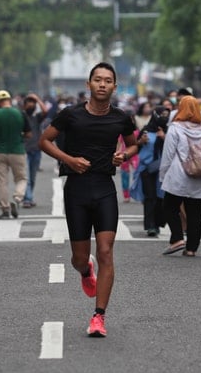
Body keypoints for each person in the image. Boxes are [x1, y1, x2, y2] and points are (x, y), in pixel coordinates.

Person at [39, 62, 137, 338]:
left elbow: (132, 143)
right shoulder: (70, 115)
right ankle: (85, 270)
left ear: (114, 86)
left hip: (105, 188)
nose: (103, 84)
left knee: (106, 251)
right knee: (79, 258)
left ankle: (99, 316)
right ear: (89, 84)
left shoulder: (121, 117)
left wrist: (124, 155)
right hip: (77, 190)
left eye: (108, 80)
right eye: (98, 80)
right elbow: (44, 141)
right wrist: (70, 160)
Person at [159, 96, 201, 257]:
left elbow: (168, 155)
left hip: (179, 175)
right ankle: (191, 248)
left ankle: (178, 238)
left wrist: (163, 175)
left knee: (169, 207)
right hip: (199, 176)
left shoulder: (175, 128)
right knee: (195, 212)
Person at [0, 90, 31, 219]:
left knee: (1, 181)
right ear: (9, 100)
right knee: (21, 178)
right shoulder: (21, 113)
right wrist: (19, 137)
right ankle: (17, 197)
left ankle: (5, 209)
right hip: (17, 151)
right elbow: (28, 134)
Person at [130, 107, 169, 236]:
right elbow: (135, 146)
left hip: (163, 169)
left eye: (166, 115)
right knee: (150, 197)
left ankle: (158, 223)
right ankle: (150, 226)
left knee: (161, 198)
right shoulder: (146, 130)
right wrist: (141, 141)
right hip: (146, 168)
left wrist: (164, 138)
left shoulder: (169, 131)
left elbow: (175, 148)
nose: (164, 117)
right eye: (162, 114)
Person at [22, 94, 48, 208]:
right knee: (26, 177)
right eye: (29, 103)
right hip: (24, 150)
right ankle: (27, 199)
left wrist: (38, 99)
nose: (31, 105)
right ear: (24, 106)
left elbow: (45, 111)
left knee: (32, 177)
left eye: (33, 104)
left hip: (36, 150)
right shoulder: (21, 117)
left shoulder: (37, 117)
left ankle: (28, 196)